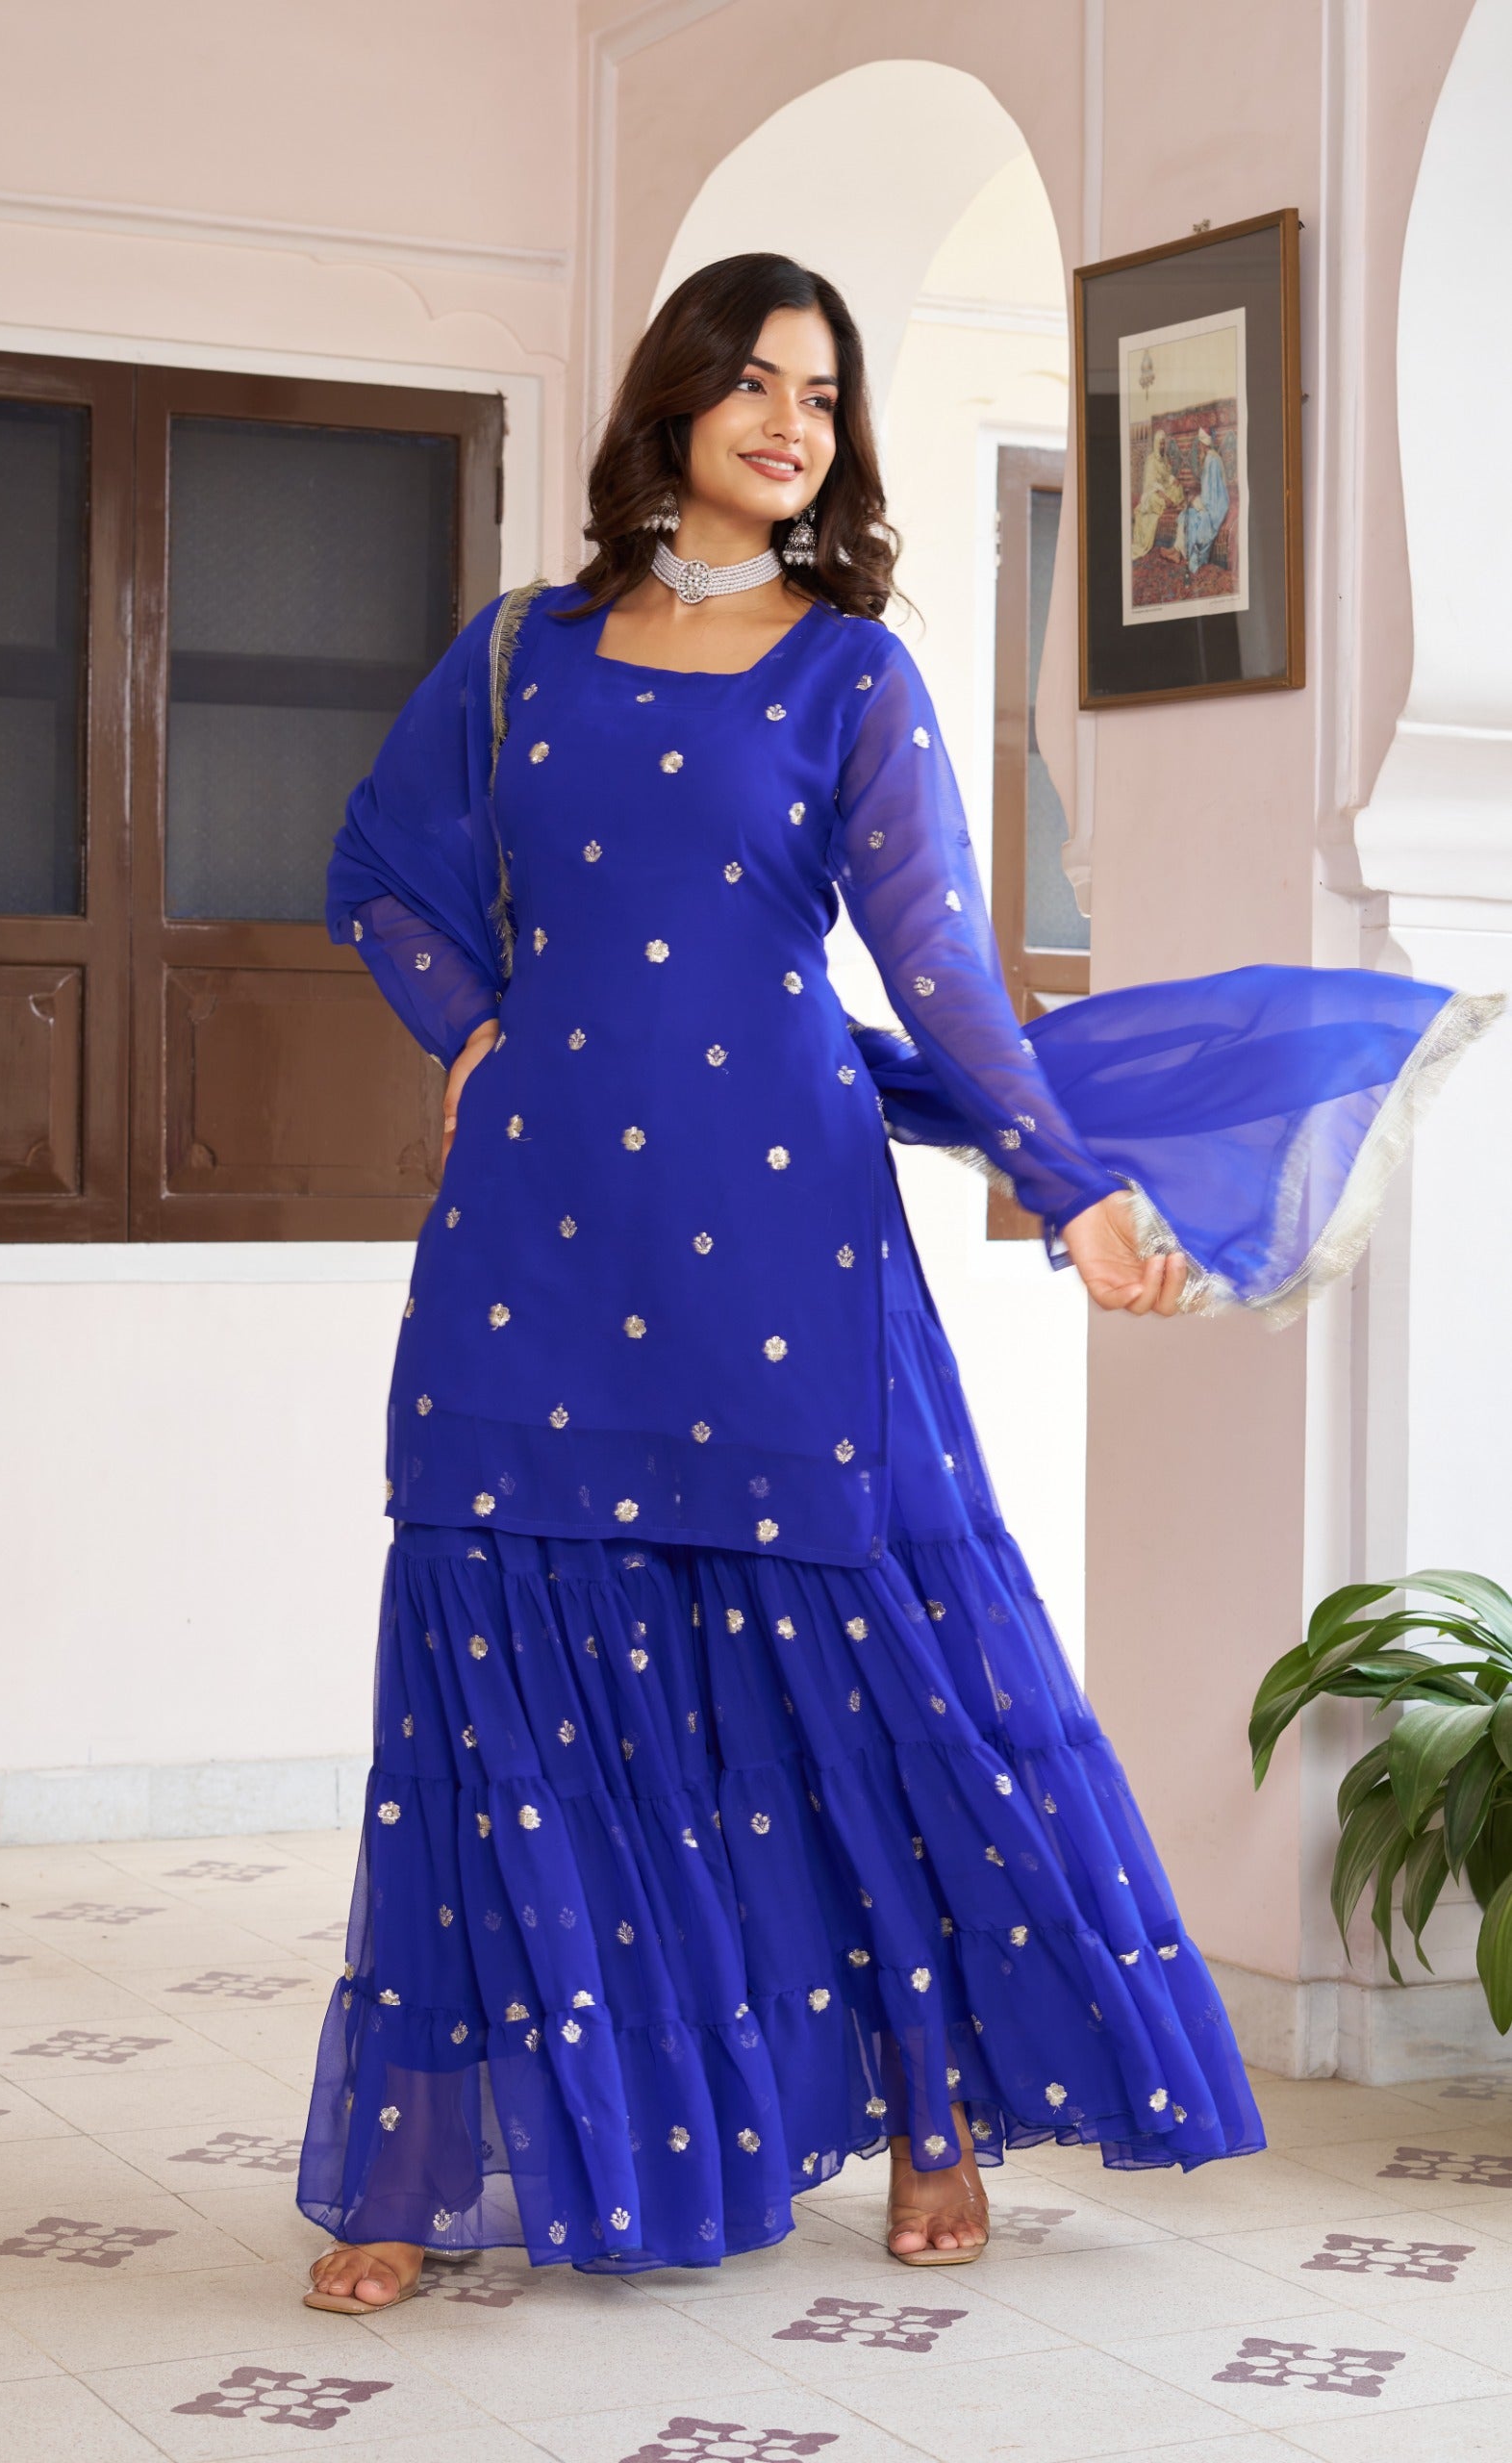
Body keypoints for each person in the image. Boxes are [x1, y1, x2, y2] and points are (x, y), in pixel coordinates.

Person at [296, 255, 1499, 2312]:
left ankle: (931, 2105)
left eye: (826, 397)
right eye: (758, 384)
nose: (794, 424)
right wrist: (473, 1028)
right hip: (537, 1232)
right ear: (672, 401)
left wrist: (1068, 1186)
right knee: (495, 1691)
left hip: (779, 1229)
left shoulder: (848, 675)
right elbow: (377, 872)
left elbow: (935, 960)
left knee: (857, 1680)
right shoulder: (516, 657)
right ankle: (423, 2164)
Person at [1174, 426, 1231, 575]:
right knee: (1187, 513)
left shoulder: (1210, 460)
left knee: (1189, 516)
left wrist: (1194, 502)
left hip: (1215, 509)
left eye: (1199, 444)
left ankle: (1188, 556)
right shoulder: (1213, 457)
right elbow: (1209, 491)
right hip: (1216, 504)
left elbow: (1208, 498)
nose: (1198, 448)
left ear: (1203, 445)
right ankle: (1177, 551)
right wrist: (1195, 501)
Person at [1129, 425, 1182, 559]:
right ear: (1156, 444)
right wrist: (1165, 497)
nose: (1163, 446)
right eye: (1161, 443)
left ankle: (1168, 503)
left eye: (1164, 443)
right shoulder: (1150, 461)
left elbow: (1166, 477)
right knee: (1154, 500)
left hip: (1164, 489)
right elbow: (1151, 485)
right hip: (1153, 494)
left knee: (1178, 488)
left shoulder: (1164, 459)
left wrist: (1173, 480)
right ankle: (1168, 504)